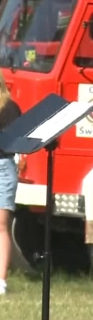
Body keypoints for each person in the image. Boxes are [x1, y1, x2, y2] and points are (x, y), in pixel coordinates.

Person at [0, 73, 21, 295]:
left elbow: (13, 141)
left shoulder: (9, 108)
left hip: (2, 167)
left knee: (0, 225)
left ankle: (1, 281)